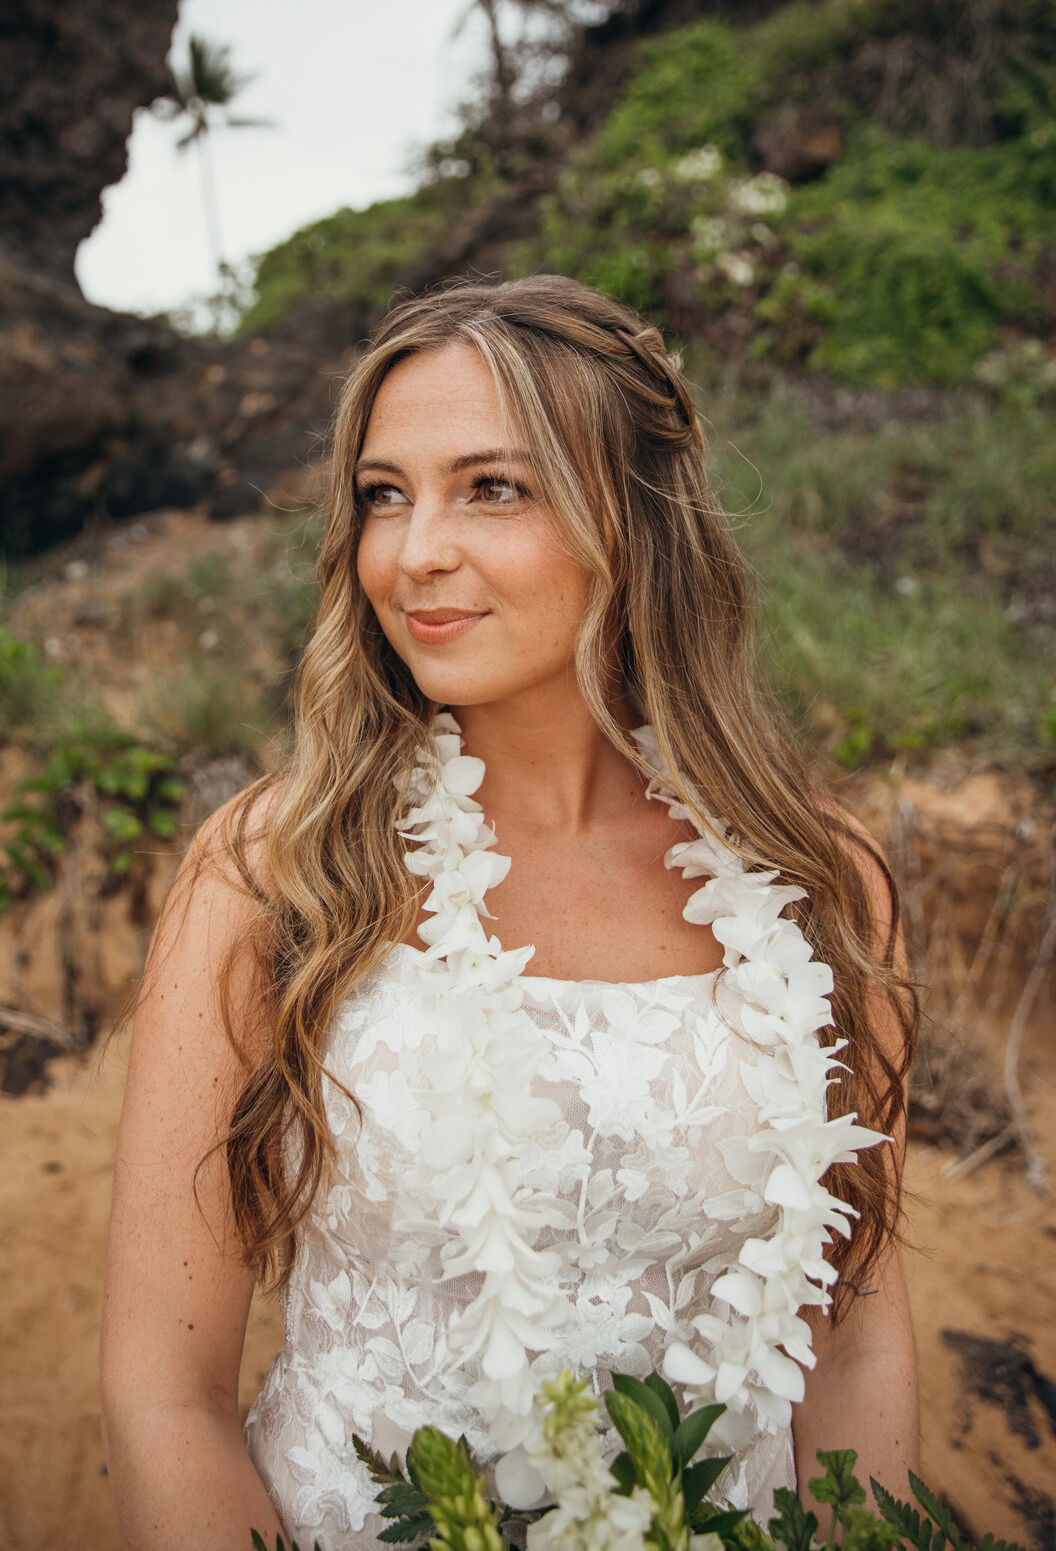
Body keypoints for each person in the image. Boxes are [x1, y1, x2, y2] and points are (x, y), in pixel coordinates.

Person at [100, 275, 918, 1551]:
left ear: (639, 519)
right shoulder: (279, 874)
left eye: (494, 487)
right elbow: (163, 1395)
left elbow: (858, 1339)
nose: (412, 551)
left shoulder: (825, 882)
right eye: (385, 493)